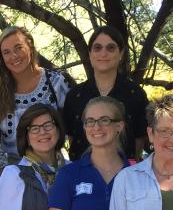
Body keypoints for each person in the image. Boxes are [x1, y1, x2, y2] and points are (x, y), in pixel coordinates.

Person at [0, 26, 69, 161]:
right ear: (1, 57)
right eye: (6, 52)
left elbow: (70, 131)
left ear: (30, 46)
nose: (13, 56)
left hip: (54, 168)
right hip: (13, 172)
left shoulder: (56, 83)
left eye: (18, 48)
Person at [62, 26, 148, 161]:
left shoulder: (135, 94)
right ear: (90, 54)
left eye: (111, 48)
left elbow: (139, 139)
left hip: (124, 173)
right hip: (82, 174)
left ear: (121, 53)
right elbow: (73, 138)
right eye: (97, 48)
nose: (103, 53)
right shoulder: (75, 95)